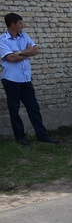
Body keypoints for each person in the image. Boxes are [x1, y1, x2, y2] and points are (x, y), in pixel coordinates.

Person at [0, 13, 59, 145]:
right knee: (14, 110)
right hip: (11, 80)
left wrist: (20, 52)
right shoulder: (3, 40)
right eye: (20, 23)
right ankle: (20, 138)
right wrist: (27, 53)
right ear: (12, 25)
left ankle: (42, 135)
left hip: (26, 80)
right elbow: (11, 58)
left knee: (34, 108)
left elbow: (35, 50)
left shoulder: (24, 36)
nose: (23, 25)